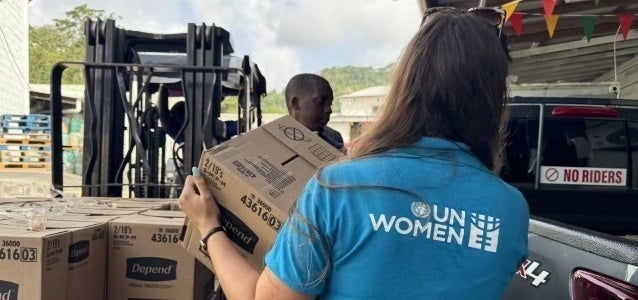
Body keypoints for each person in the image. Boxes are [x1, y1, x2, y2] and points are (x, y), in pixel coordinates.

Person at [178, 7, 529, 299]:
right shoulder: (511, 209)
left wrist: (208, 226)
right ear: (491, 102)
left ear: (405, 87)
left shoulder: (339, 187)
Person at [284, 73, 344, 150]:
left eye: (330, 104)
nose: (329, 110)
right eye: (320, 102)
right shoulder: (270, 140)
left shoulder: (335, 142)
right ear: (296, 103)